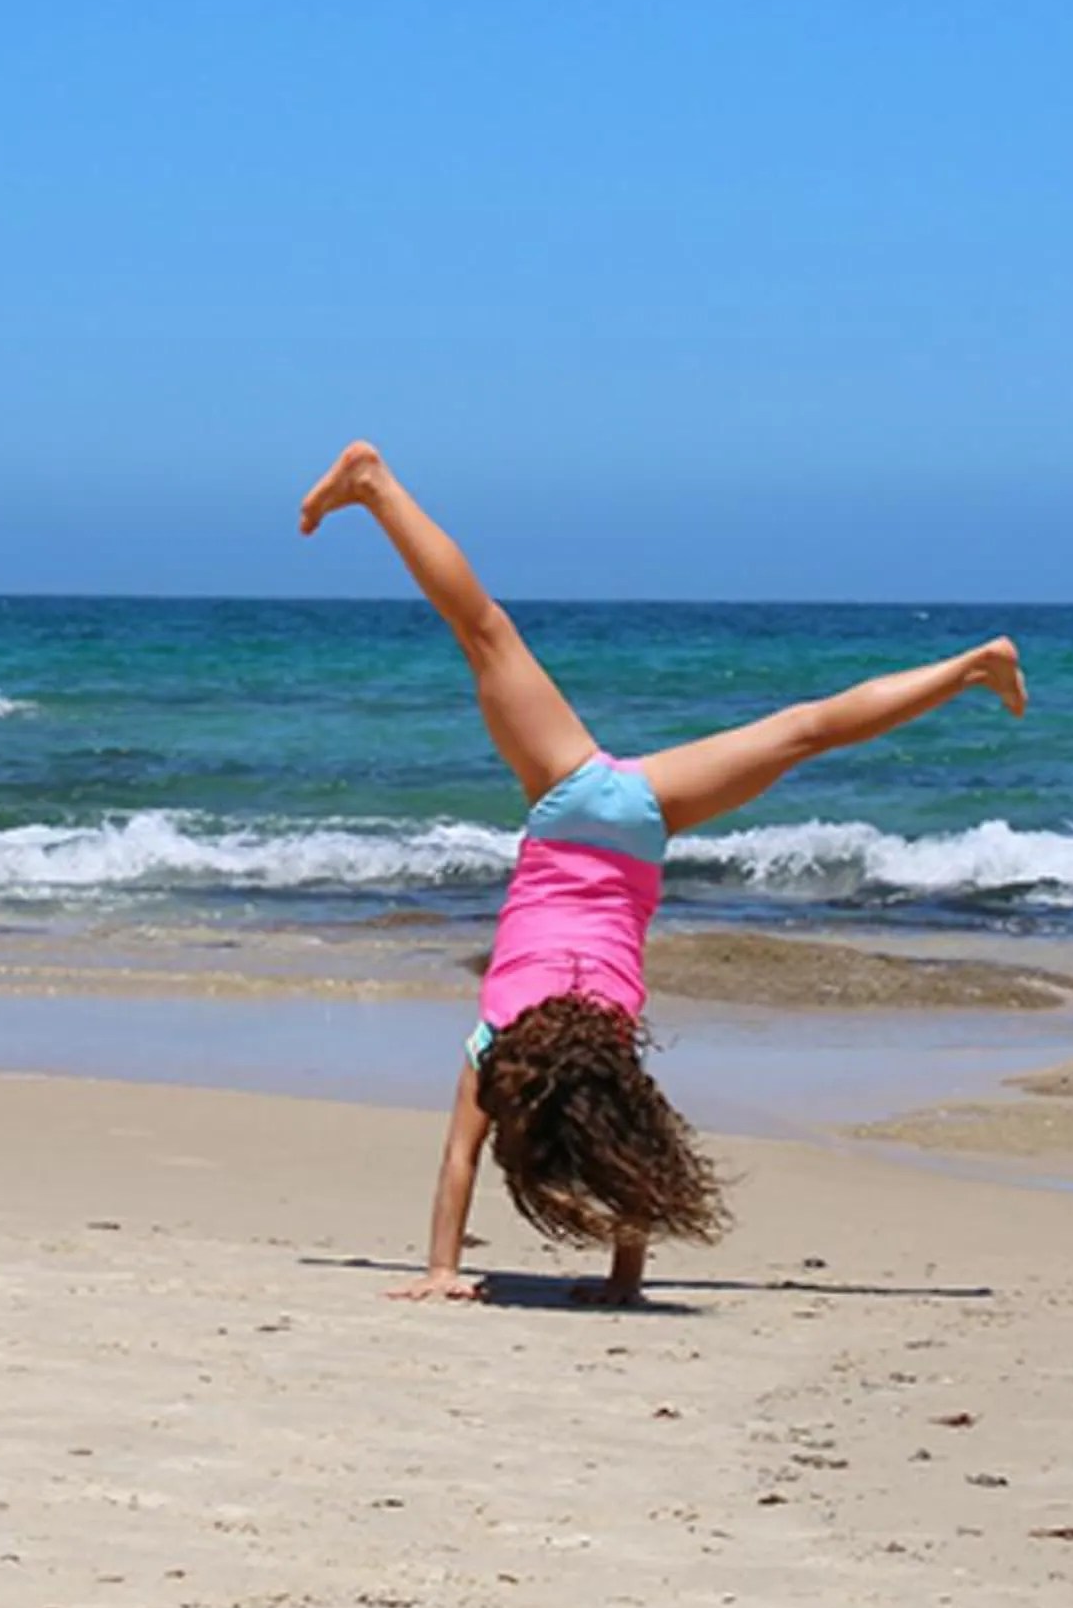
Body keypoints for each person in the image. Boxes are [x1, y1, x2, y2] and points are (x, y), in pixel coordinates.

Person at [300, 442, 1025, 1304]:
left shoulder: (607, 1043)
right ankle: (974, 664)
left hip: (639, 828)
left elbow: (611, 1153)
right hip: (570, 796)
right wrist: (443, 1267)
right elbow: (463, 1156)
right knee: (487, 632)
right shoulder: (497, 1038)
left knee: (802, 731)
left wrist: (556, 1281)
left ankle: (973, 666)